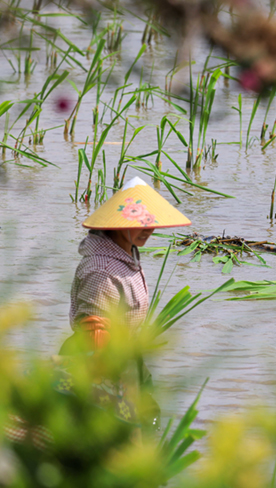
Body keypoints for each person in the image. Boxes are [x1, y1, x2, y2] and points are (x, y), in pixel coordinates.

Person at [60, 176, 192, 425]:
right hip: (99, 358)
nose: (149, 229)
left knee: (146, 421)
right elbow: (94, 330)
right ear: (117, 223)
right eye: (141, 222)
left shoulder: (125, 254)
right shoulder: (102, 269)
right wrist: (110, 382)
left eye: (151, 223)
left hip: (124, 356)